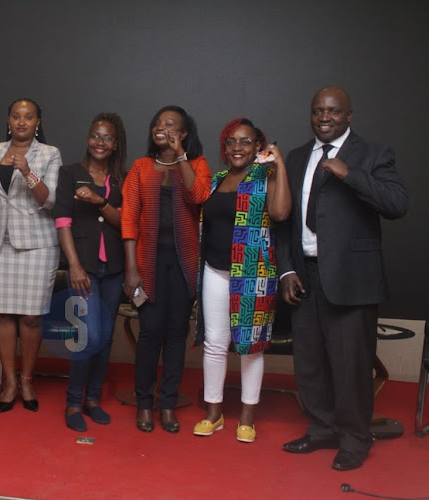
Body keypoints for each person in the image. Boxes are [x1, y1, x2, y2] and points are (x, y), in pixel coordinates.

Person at [278, 87, 408, 470]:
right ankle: (321, 429)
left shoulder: (372, 155)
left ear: (349, 115)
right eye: (318, 110)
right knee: (311, 362)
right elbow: (282, 221)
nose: (324, 117)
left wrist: (349, 174)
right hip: (305, 276)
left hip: (353, 280)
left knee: (351, 365)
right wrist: (287, 269)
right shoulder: (299, 157)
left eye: (333, 111)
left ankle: (354, 438)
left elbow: (397, 204)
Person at [193, 118, 291, 443]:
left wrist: (279, 165)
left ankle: (247, 418)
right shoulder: (218, 179)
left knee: (251, 347)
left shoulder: (266, 175)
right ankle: (214, 414)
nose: (238, 147)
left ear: (258, 147)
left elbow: (279, 214)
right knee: (215, 344)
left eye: (246, 142)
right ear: (224, 147)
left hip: (253, 274)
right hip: (214, 271)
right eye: (232, 141)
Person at [122, 105, 212, 433]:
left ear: (184, 133)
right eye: (158, 123)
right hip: (148, 264)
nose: (162, 128)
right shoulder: (141, 167)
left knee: (176, 335)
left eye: (171, 125)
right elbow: (129, 218)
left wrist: (181, 156)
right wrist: (132, 270)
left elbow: (199, 195)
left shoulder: (198, 164)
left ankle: (169, 404)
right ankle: (145, 403)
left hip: (184, 267)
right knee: (149, 333)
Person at [0, 97, 62, 413]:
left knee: (29, 316)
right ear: (8, 120)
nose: (22, 121)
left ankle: (27, 379)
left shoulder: (49, 154)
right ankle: (9, 381)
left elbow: (49, 201)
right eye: (16, 116)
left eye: (29, 117)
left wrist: (28, 172)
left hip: (37, 245)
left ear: (38, 121)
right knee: (3, 314)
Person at [54, 112, 128, 432]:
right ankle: (73, 403)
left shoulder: (123, 180)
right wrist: (74, 265)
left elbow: (124, 224)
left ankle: (93, 399)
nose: (100, 142)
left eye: (107, 138)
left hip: (112, 269)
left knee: (107, 336)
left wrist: (100, 202)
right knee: (86, 336)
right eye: (96, 136)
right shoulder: (69, 173)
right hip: (82, 267)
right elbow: (62, 223)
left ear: (115, 145)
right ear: (88, 139)